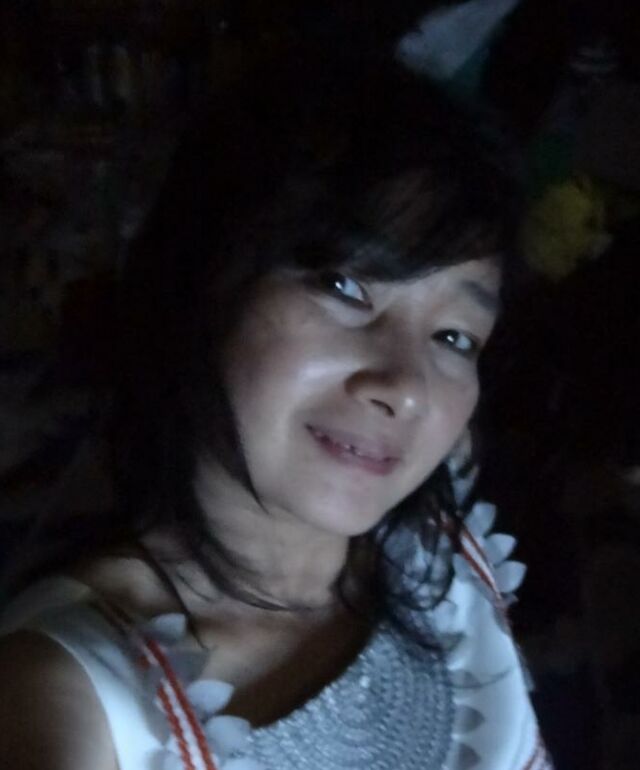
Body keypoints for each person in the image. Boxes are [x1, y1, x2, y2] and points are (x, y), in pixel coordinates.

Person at [0, 54, 551, 770]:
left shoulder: (442, 550)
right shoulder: (65, 701)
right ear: (202, 275)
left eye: (453, 337)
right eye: (347, 287)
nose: (406, 386)